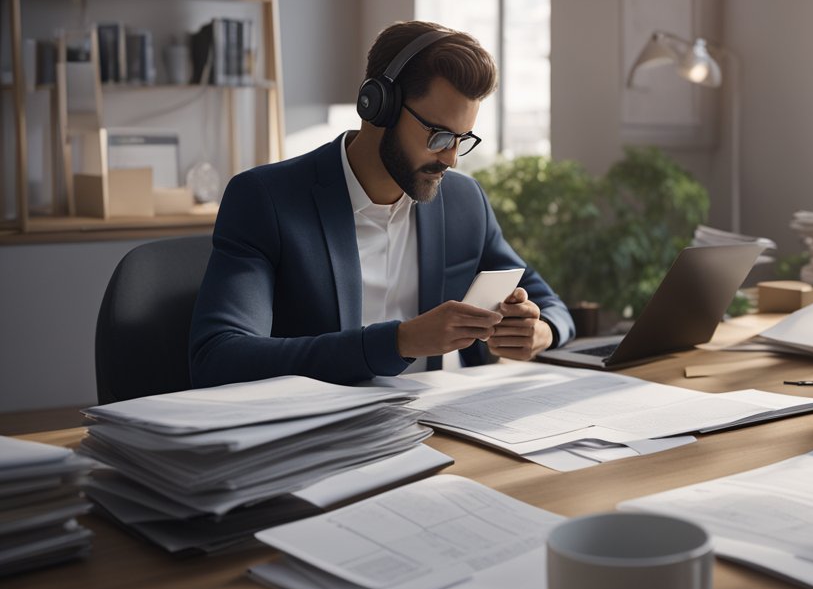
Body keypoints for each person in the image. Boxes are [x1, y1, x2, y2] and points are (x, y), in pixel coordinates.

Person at [189, 20, 573, 387]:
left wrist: (539, 331)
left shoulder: (463, 201)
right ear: (377, 106)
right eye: (439, 136)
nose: (451, 159)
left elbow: (550, 305)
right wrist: (398, 342)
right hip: (326, 435)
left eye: (462, 138)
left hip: (447, 425)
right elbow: (220, 358)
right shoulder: (266, 200)